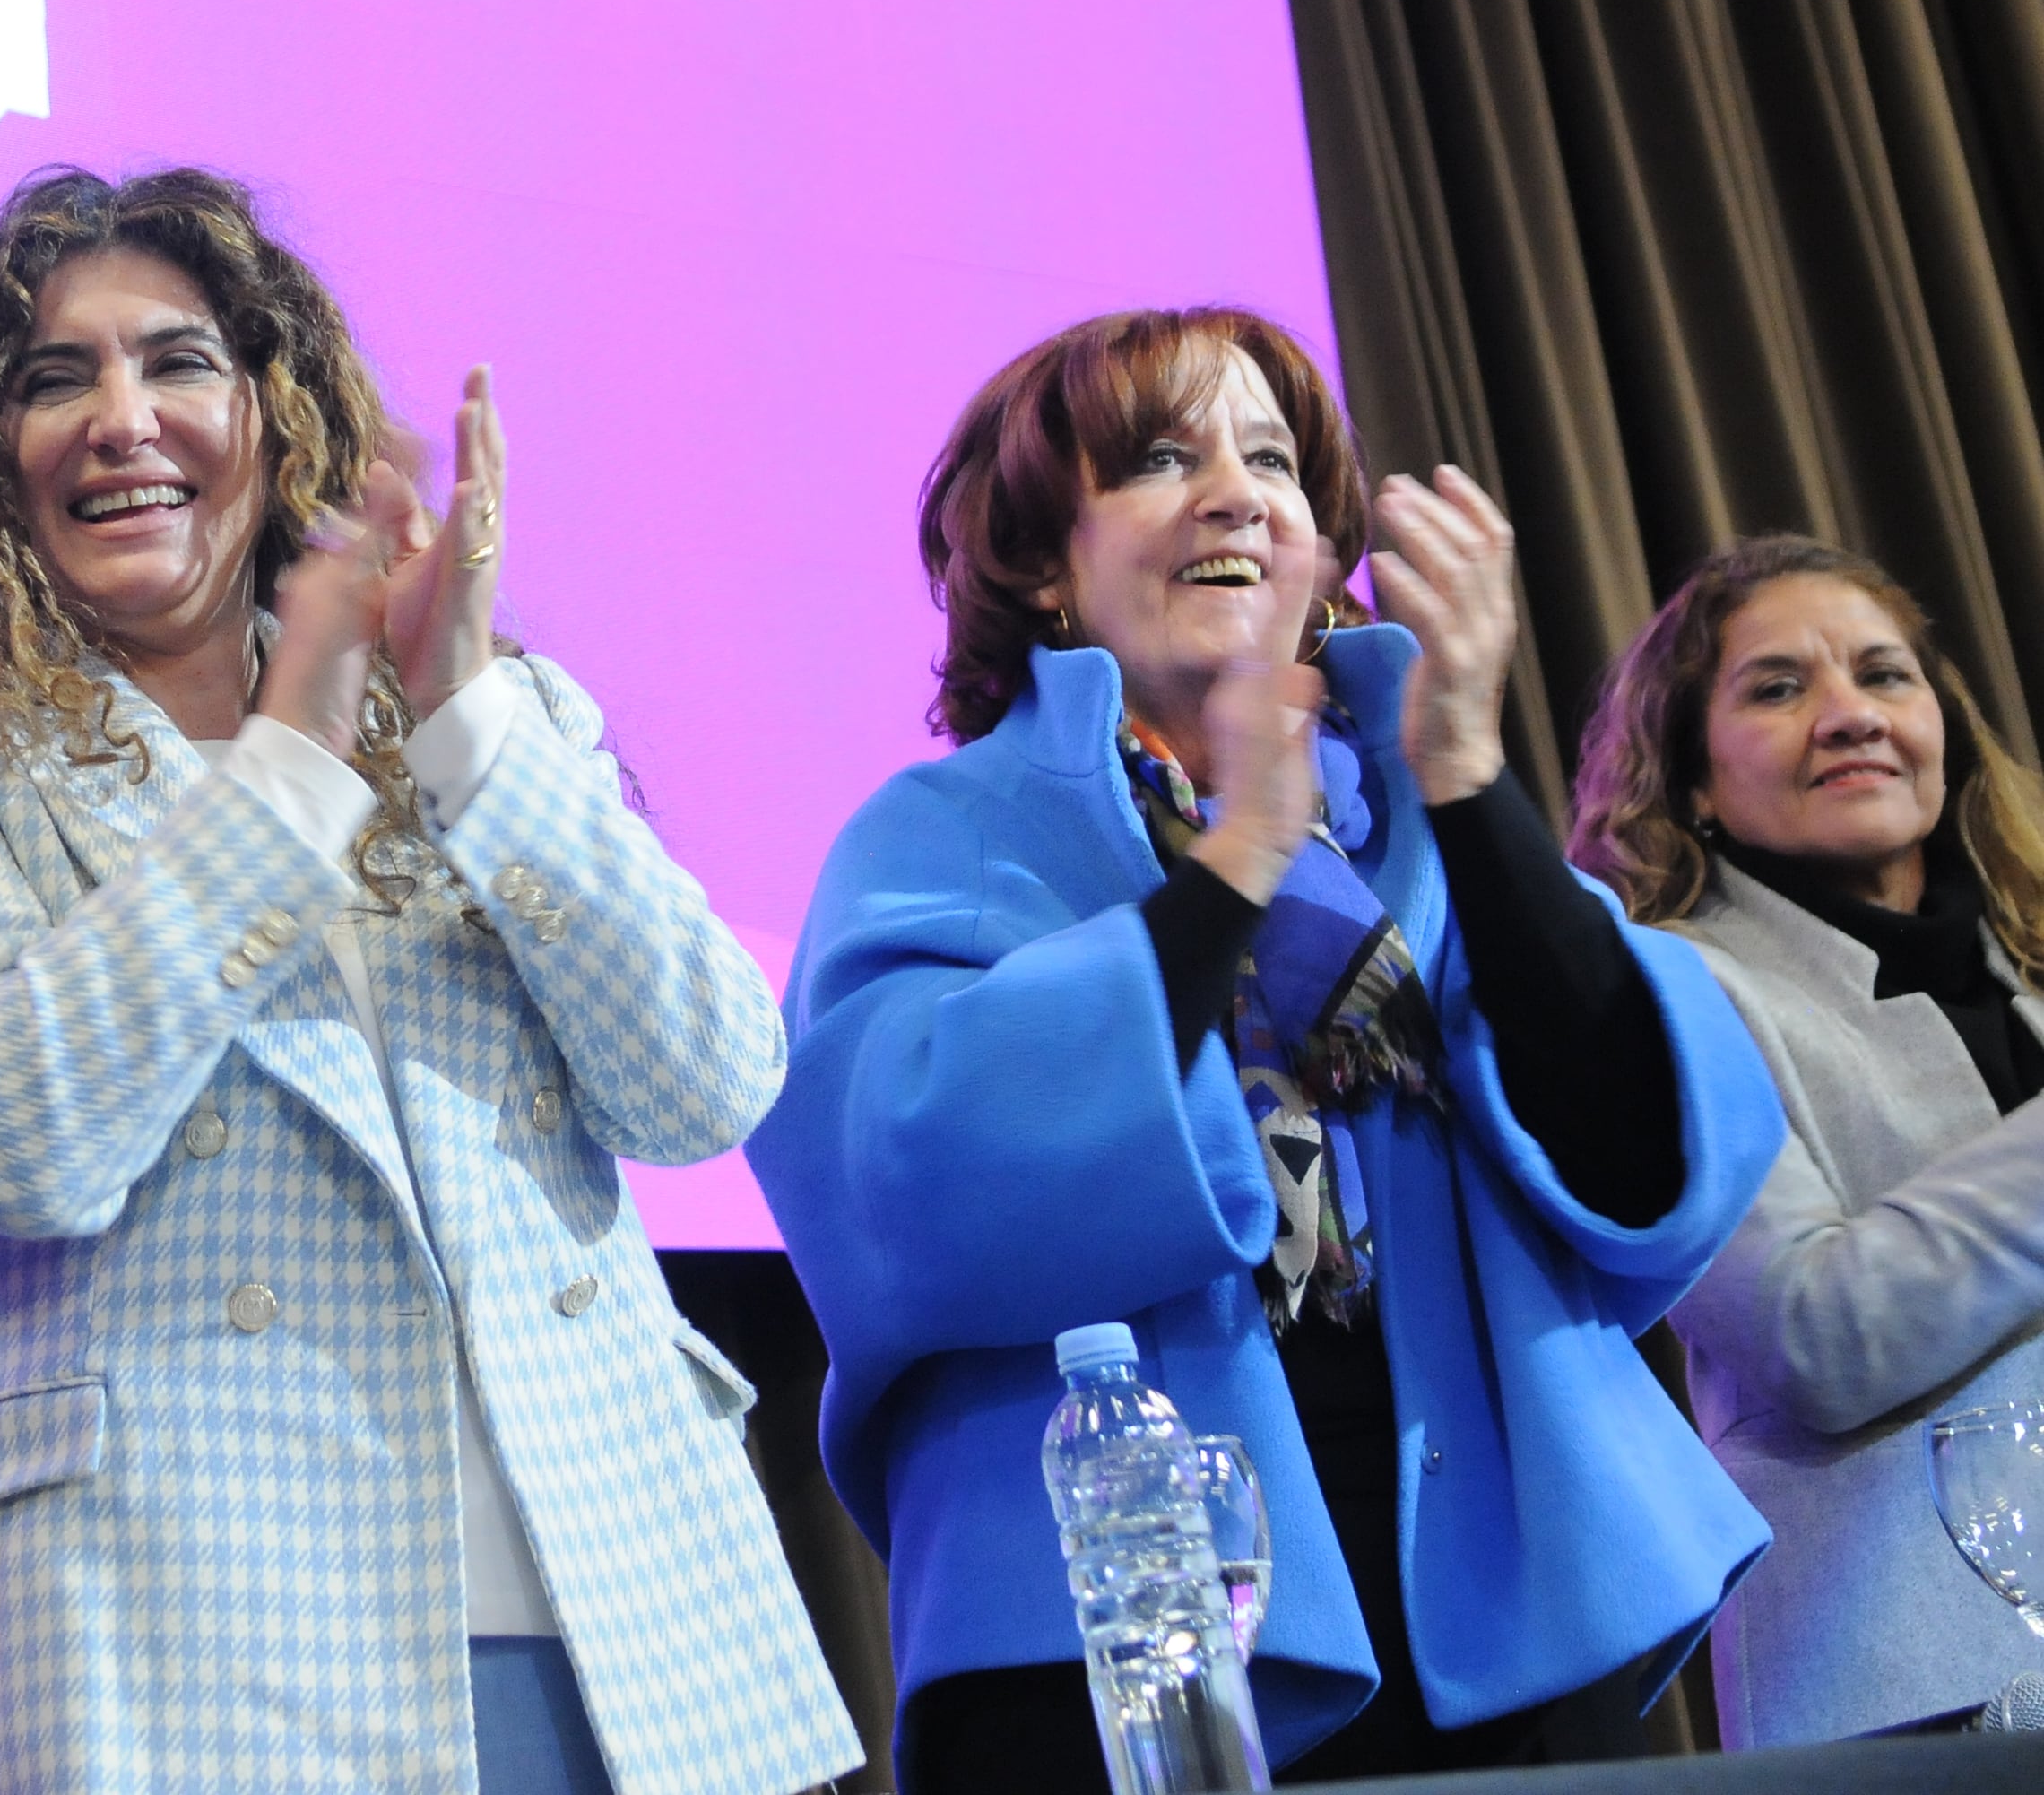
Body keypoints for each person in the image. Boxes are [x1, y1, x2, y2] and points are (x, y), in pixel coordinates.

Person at [0, 167, 858, 1795]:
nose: (120, 418)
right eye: (53, 381)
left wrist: (462, 710)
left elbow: (704, 1083)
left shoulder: (499, 712)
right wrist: (292, 754)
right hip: (166, 1663)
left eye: (178, 362)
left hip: (628, 1635)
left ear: (275, 416)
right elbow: (9, 1126)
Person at [749, 308, 1784, 1789]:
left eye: (1276, 462)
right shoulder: (946, 836)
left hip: (1460, 1629)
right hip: (1106, 1646)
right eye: (1164, 460)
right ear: (1046, 565)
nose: (1239, 493)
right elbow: (903, 1186)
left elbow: (1637, 1158)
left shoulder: (1419, 830)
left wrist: (1470, 772)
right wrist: (1235, 862)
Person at [1570, 533, 2044, 1742]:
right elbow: (1813, 1335)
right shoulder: (1664, 990)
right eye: (1778, 688)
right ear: (1690, 780)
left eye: (1885, 676)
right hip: (1918, 1693)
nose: (1849, 716)